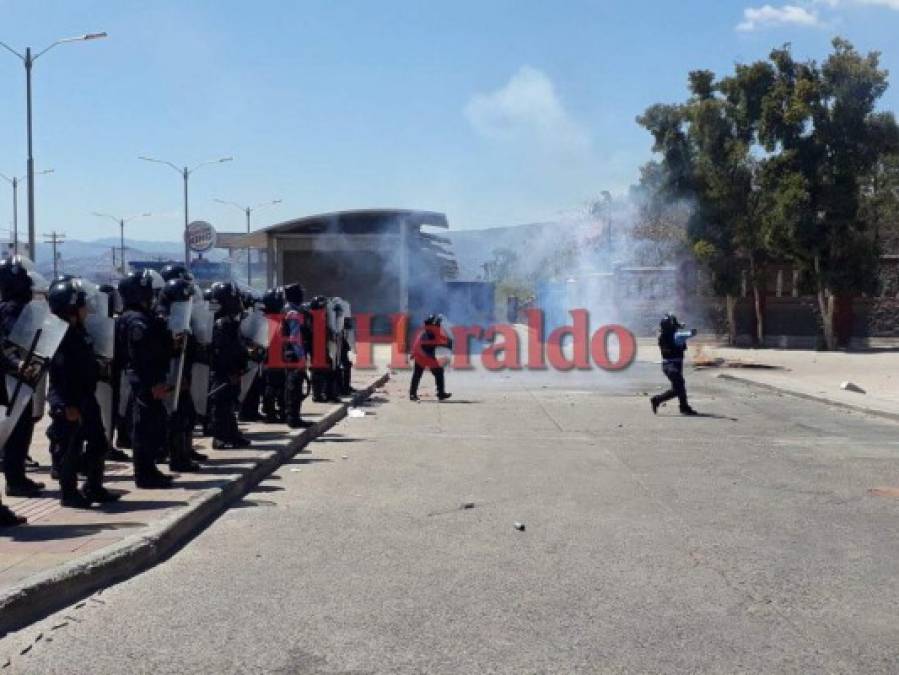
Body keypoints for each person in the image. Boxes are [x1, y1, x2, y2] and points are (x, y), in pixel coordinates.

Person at [46, 278, 121, 507]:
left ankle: (93, 486)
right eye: (82, 305)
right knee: (70, 446)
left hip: (86, 396)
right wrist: (67, 405)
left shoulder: (78, 330)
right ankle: (69, 493)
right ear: (70, 308)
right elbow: (60, 374)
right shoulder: (60, 335)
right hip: (69, 399)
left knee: (98, 441)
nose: (86, 309)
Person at [119, 270, 174, 488]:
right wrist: (153, 384)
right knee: (144, 428)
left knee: (152, 425)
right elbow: (143, 356)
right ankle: (144, 474)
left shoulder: (142, 317)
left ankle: (150, 469)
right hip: (144, 382)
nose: (150, 296)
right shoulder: (136, 321)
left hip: (147, 380)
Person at [0, 256, 44, 498]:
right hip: (12, 380)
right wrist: (18, 364)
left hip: (20, 378)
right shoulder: (11, 309)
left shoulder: (16, 307)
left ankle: (18, 477)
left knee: (22, 428)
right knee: (16, 431)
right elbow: (7, 345)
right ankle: (15, 480)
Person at [158, 278, 201, 472]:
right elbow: (168, 353)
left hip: (182, 374)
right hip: (172, 376)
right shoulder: (164, 320)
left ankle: (184, 453)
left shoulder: (181, 317)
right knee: (176, 417)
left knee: (187, 415)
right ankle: (177, 458)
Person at [209, 281, 251, 448]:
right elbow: (222, 352)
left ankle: (231, 434)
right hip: (224, 372)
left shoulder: (230, 321)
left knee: (229, 404)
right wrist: (230, 371)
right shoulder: (221, 324)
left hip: (232, 370)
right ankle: (220, 437)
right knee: (221, 404)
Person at [650, 313, 698, 416]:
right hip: (673, 366)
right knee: (679, 387)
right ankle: (657, 400)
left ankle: (684, 407)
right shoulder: (677, 336)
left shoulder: (662, 336)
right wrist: (691, 329)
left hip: (668, 365)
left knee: (679, 386)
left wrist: (679, 325)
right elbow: (692, 333)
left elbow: (675, 329)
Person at [281, 283, 313, 428]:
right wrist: (301, 358)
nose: (302, 296)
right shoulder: (293, 313)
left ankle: (292, 416)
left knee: (291, 386)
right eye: (300, 294)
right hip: (293, 353)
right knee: (294, 387)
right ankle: (293, 418)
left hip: (288, 352)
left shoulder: (288, 309)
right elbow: (296, 337)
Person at [409, 314, 452, 402]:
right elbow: (436, 341)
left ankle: (413, 394)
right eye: (438, 323)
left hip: (423, 355)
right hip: (423, 356)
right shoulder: (429, 333)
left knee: (418, 375)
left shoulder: (428, 331)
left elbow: (439, 340)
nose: (439, 325)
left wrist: (447, 343)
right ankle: (440, 393)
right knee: (434, 373)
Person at [260, 287, 286, 424]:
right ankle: (271, 412)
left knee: (274, 384)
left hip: (273, 357)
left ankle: (273, 411)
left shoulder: (270, 318)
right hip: (271, 357)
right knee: (273, 385)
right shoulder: (271, 320)